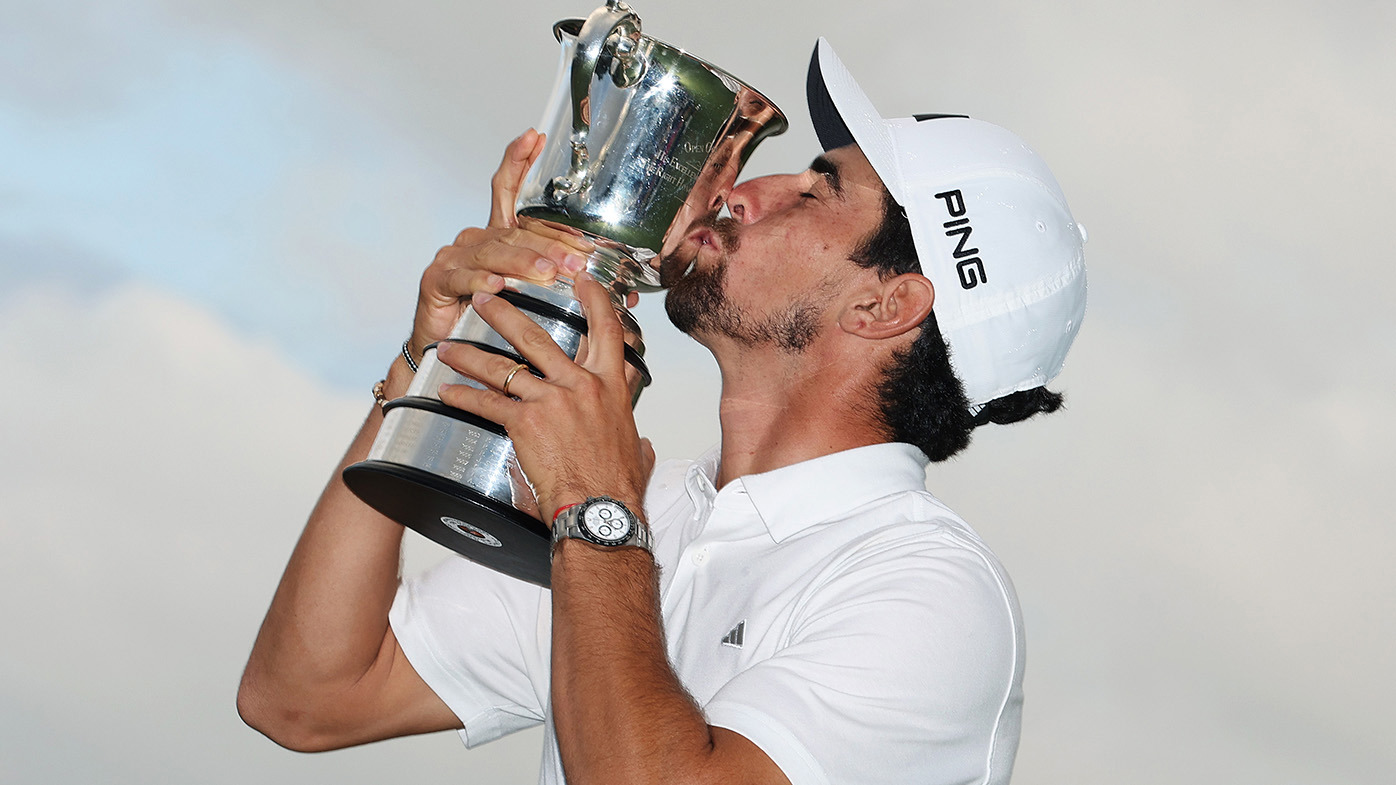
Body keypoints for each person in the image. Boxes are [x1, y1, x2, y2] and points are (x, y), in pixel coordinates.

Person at [238, 39, 1087, 785]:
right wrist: (431, 359)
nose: (748, 190)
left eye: (817, 192)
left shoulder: (931, 592)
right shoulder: (658, 514)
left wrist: (591, 508)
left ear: (885, 306)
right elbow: (307, 695)